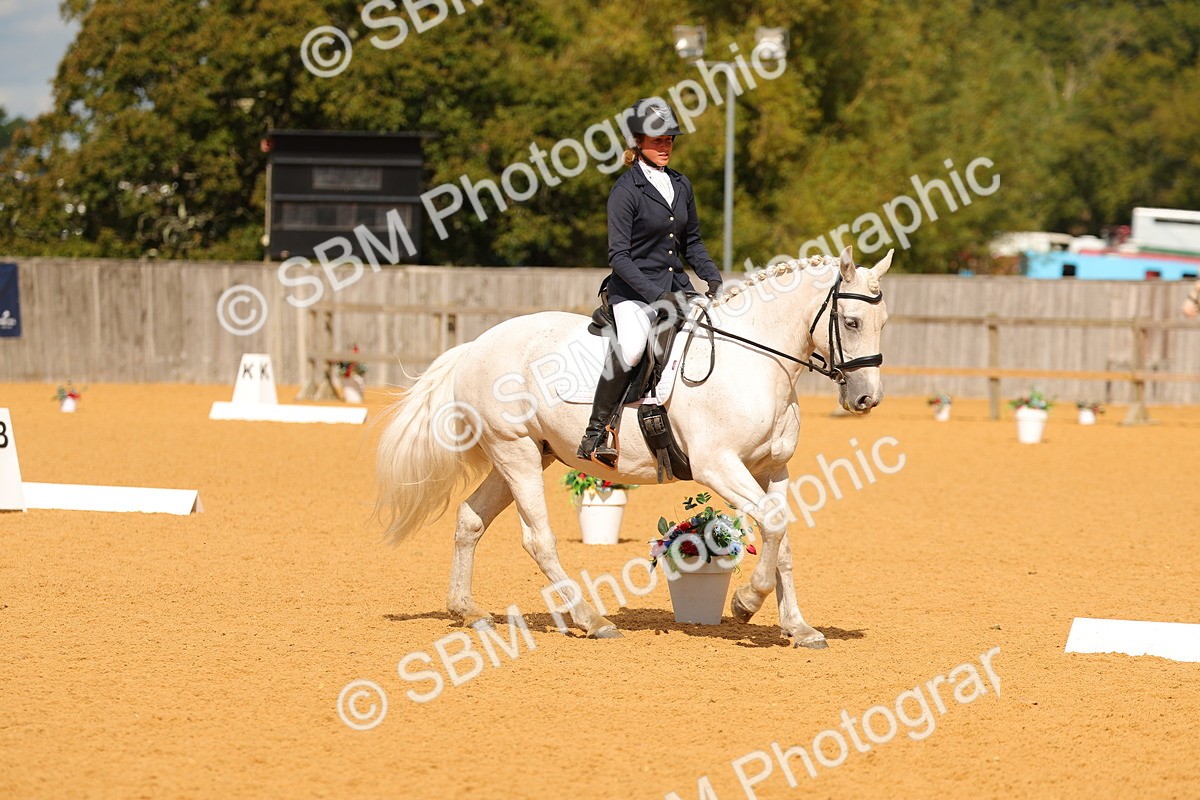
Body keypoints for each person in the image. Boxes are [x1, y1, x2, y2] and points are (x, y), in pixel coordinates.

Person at [576, 98, 724, 468]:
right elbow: (619, 258)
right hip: (634, 292)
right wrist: (656, 295)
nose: (665, 146)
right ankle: (596, 431)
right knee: (631, 348)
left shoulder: (680, 184)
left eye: (670, 140)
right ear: (638, 142)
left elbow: (692, 242)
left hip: (677, 288)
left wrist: (713, 277)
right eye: (657, 140)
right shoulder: (626, 191)